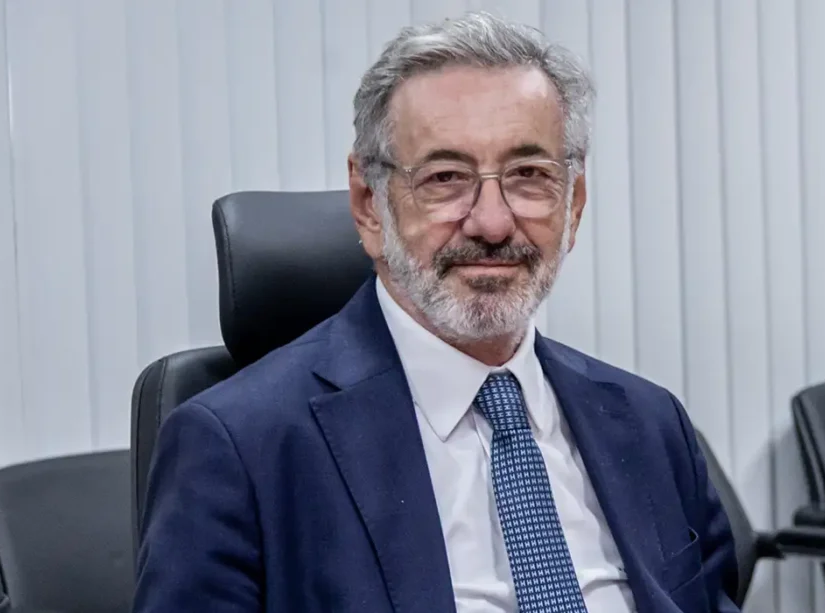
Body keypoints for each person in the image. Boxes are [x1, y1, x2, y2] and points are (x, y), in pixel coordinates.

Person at [133, 11, 739, 613]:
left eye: (529, 175)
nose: (492, 223)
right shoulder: (241, 446)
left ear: (573, 204)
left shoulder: (650, 424)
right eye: (446, 177)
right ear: (369, 204)